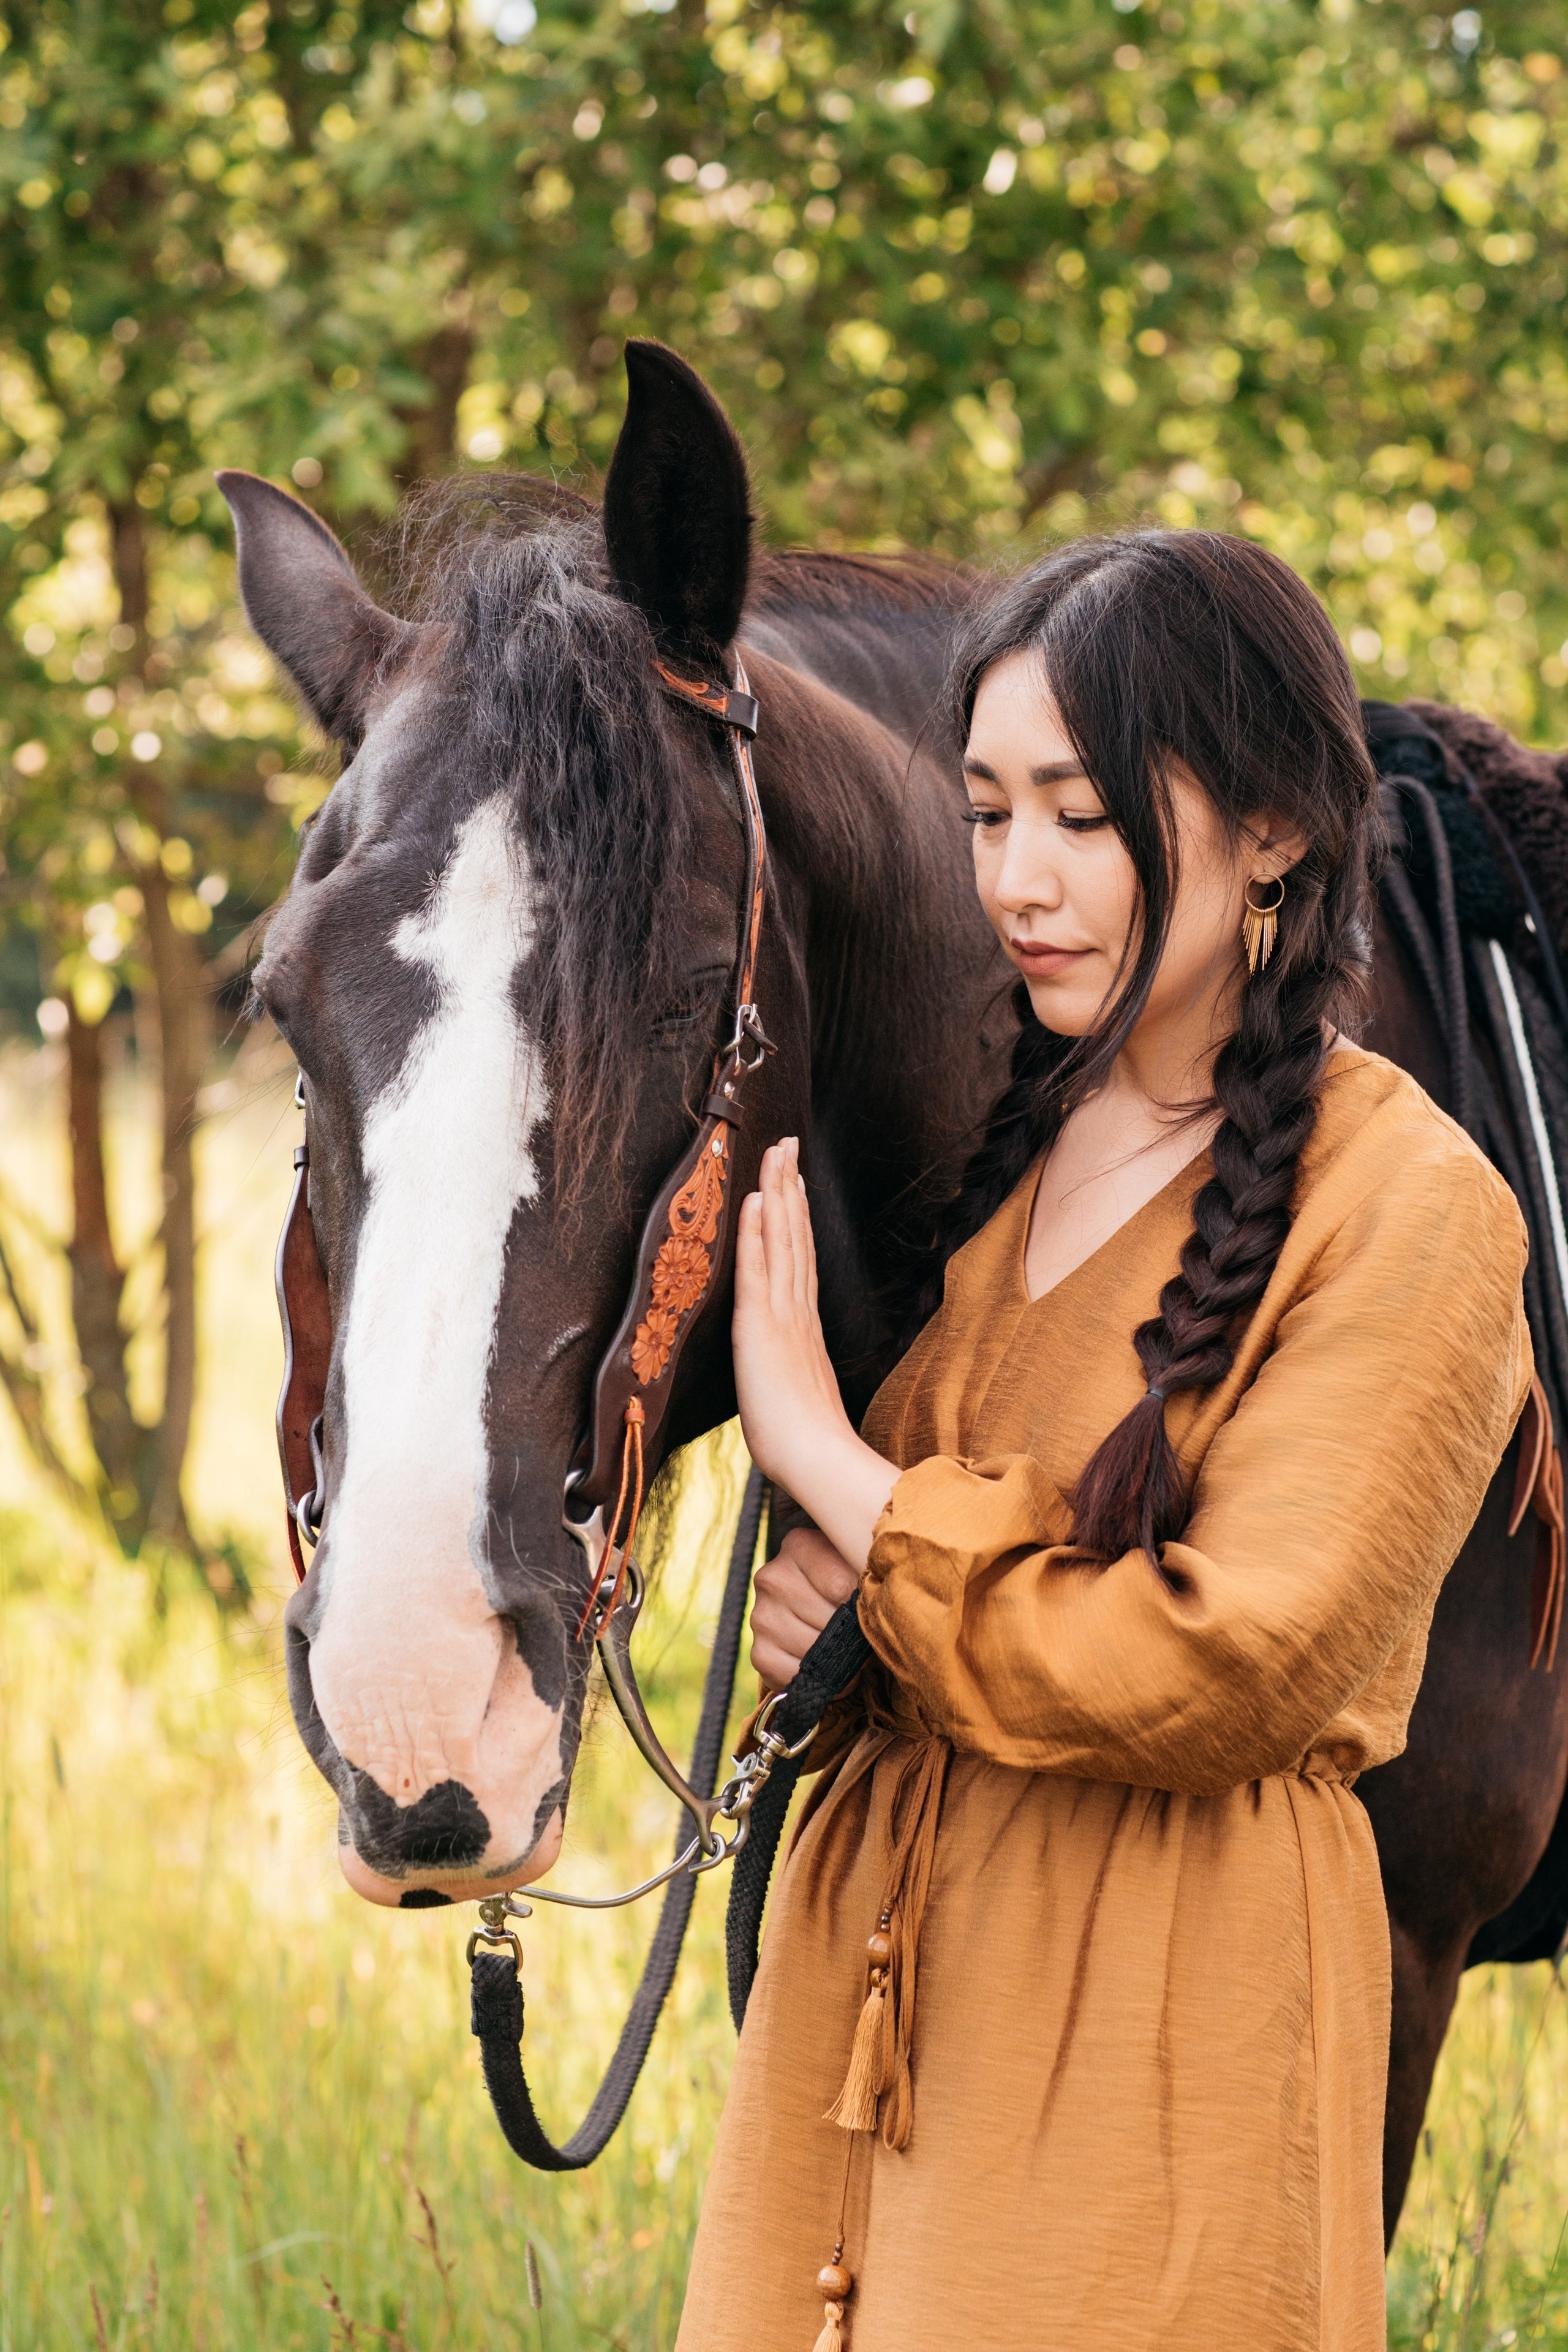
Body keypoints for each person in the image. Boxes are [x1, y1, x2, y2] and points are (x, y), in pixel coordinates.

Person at [675, 532, 1531, 2352]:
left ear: (1279, 827)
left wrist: (843, 1477)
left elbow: (1225, 1665)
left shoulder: (1412, 1207)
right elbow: (935, 1603)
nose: (1018, 881)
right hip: (877, 2025)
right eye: (986, 814)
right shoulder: (1002, 1161)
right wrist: (840, 1638)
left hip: (1158, 2039)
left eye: (1079, 813)